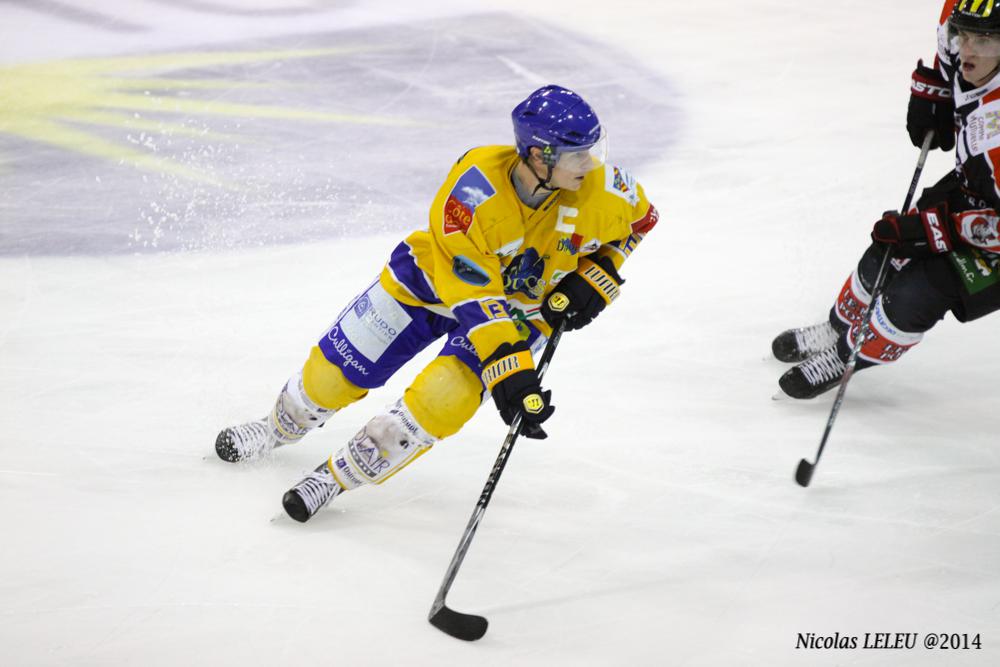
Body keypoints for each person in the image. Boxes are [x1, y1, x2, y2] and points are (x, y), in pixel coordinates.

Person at [215, 85, 659, 521]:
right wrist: (510, 367)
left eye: (593, 149)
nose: (592, 163)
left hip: (521, 309)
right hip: (427, 285)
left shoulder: (604, 191)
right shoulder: (473, 192)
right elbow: (475, 296)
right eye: (578, 154)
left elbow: (642, 222)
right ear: (540, 156)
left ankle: (334, 478)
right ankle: (277, 427)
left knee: (440, 402)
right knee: (330, 378)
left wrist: (598, 275)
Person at [772, 0, 1000, 399]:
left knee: (919, 292)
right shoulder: (960, 17)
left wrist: (936, 230)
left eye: (984, 40)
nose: (968, 49)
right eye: (965, 35)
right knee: (888, 249)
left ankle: (847, 356)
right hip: (976, 184)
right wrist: (935, 90)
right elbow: (949, 53)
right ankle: (837, 327)